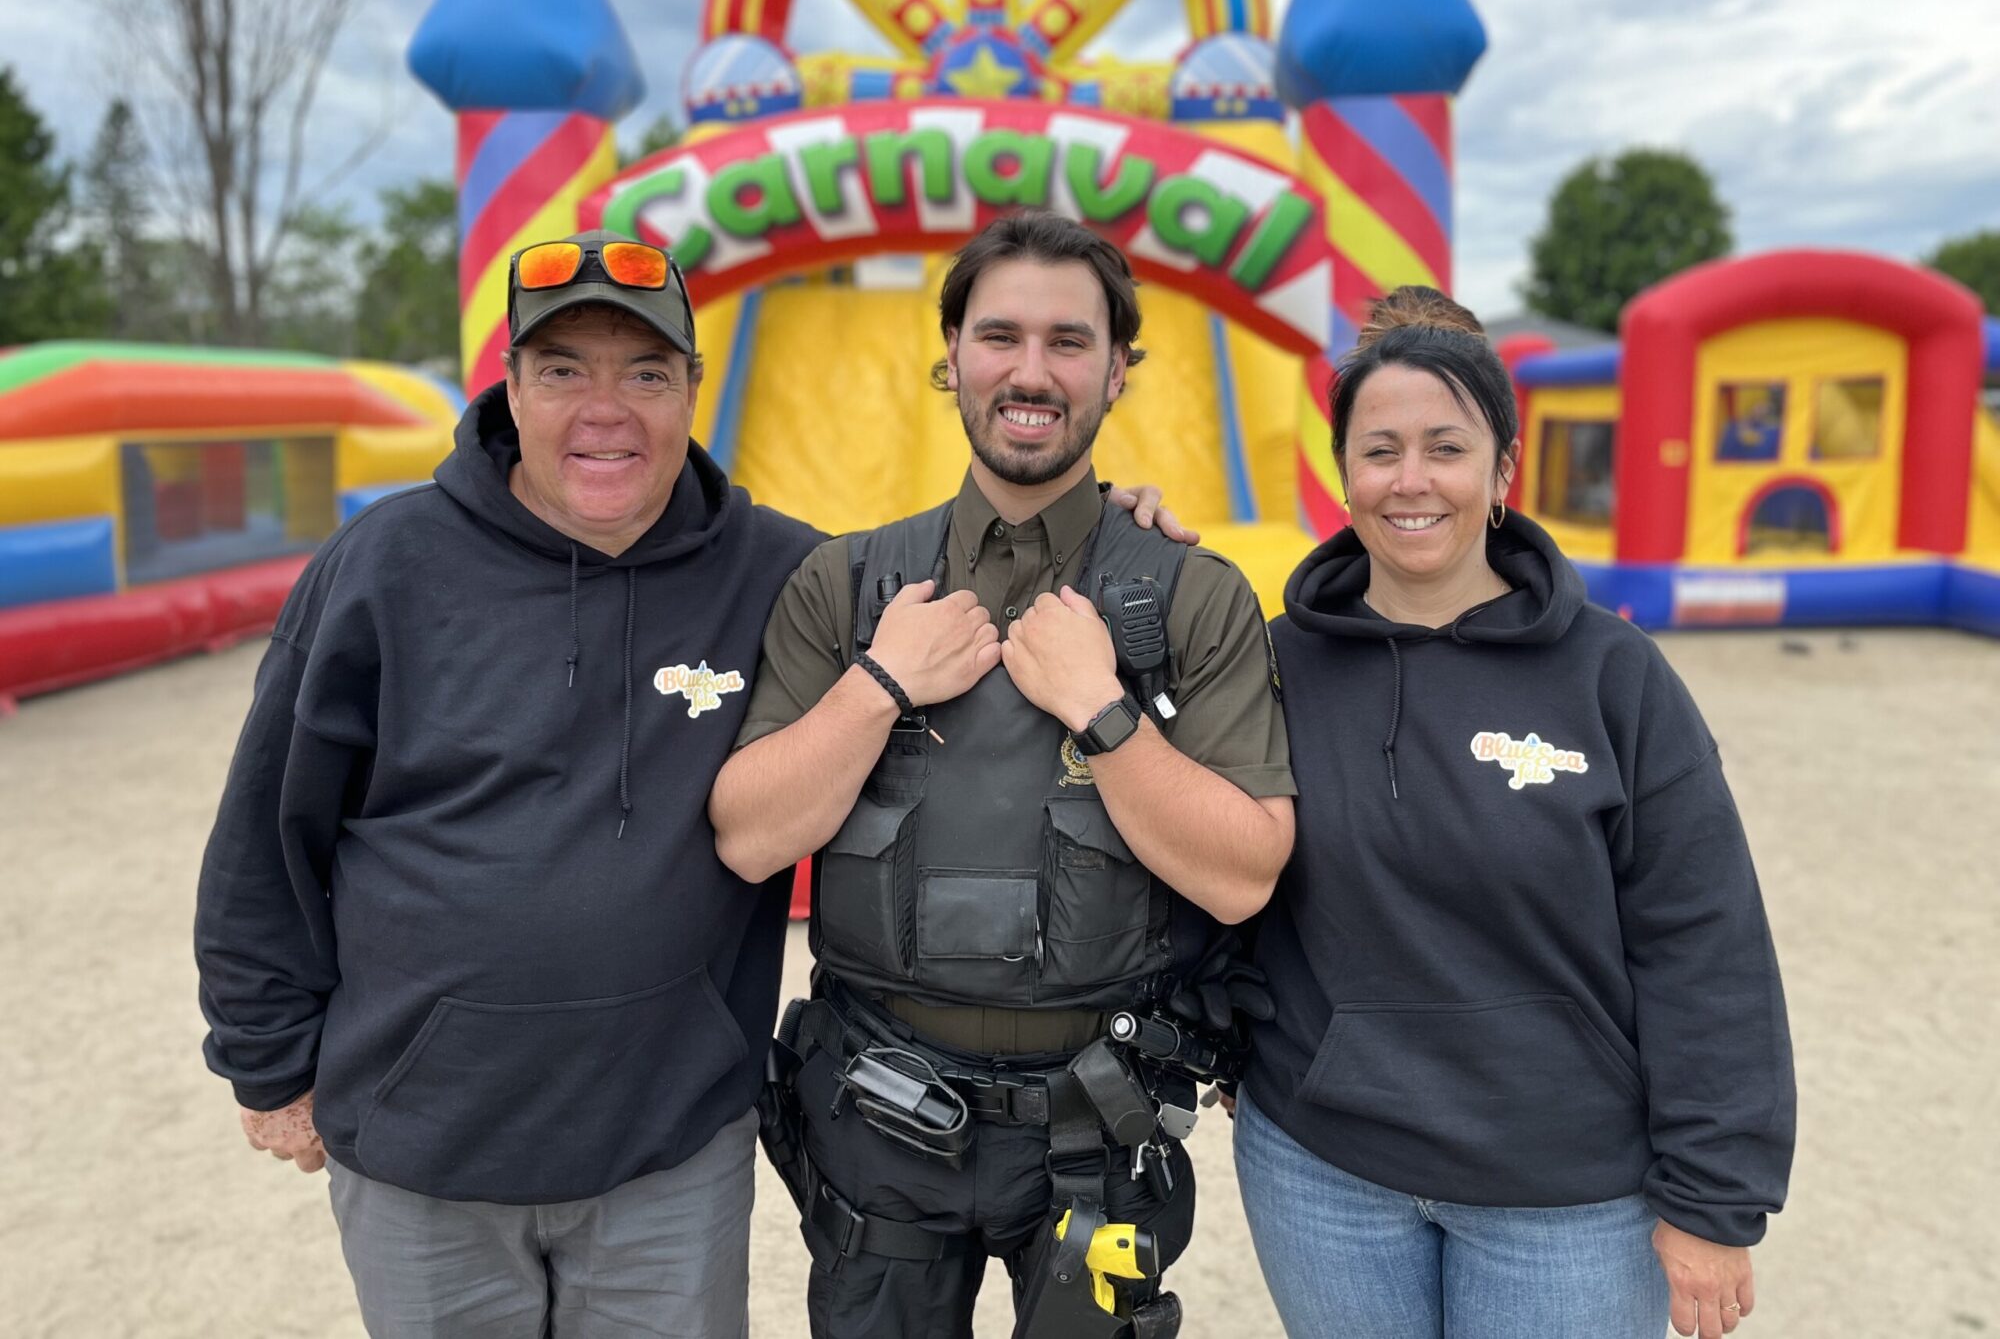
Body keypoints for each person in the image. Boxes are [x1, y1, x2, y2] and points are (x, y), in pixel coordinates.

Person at [194, 229, 1189, 1339]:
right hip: (426, 1145)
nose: (605, 411)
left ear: (693, 389)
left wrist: (1110, 533)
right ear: (511, 388)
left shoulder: (778, 569)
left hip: (669, 1149)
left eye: (645, 374)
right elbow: (265, 833)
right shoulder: (383, 565)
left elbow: (973, 568)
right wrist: (265, 1064)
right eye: (562, 371)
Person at [709, 210, 1297, 1339]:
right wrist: (880, 684)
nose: (1032, 372)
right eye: (1000, 336)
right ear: (951, 356)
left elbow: (1241, 878)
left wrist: (1105, 713)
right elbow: (747, 836)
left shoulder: (1192, 597)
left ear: (1118, 370)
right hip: (878, 1125)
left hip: (1101, 1131)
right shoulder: (846, 584)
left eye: (1069, 341)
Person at [1234, 287, 1796, 1339]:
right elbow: (1227, 878)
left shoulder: (1612, 676)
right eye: (1380, 451)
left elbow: (1702, 938)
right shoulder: (1273, 664)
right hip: (1322, 1172)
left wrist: (1713, 1199)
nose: (1411, 480)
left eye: (1446, 449)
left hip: (1568, 1198)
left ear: (1501, 472)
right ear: (1343, 474)